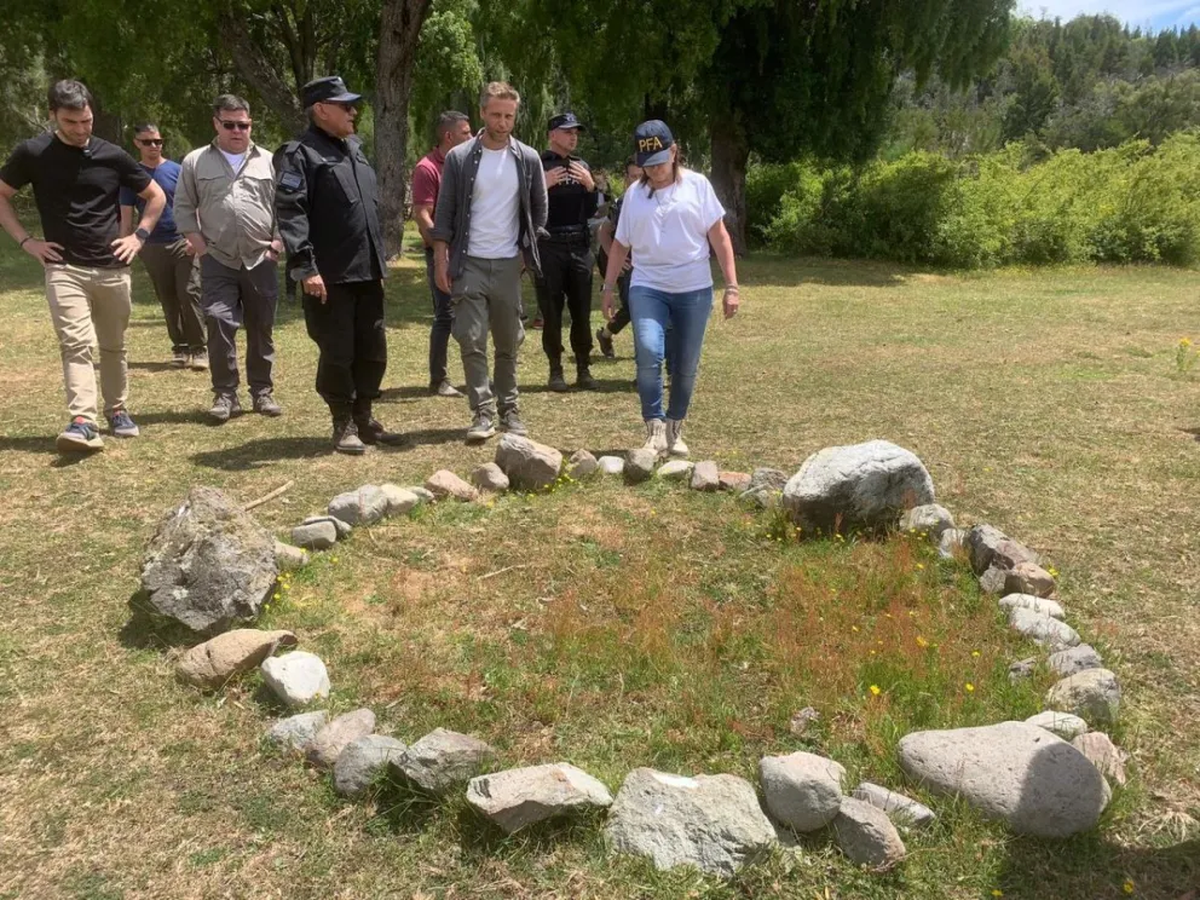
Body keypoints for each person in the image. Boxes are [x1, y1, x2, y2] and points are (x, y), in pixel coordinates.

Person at [0, 80, 166, 453]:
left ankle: (117, 409)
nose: (80, 129)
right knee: (76, 343)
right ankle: (82, 421)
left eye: (86, 121)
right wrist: (27, 242)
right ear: (52, 116)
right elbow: (2, 195)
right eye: (70, 121)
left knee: (113, 345)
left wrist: (138, 236)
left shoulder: (113, 155)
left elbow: (155, 196)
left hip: (112, 267)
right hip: (64, 267)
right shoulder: (33, 153)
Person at [276, 75, 400, 455]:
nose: (353, 111)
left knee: (372, 348)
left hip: (366, 270)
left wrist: (379, 264)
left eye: (353, 105)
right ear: (321, 110)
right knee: (338, 351)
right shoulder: (299, 153)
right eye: (345, 106)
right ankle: (342, 421)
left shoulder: (354, 149)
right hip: (329, 276)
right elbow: (291, 213)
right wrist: (306, 267)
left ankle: (364, 415)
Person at [600, 120, 739, 458]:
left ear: (675, 151)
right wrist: (607, 287)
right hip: (648, 286)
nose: (656, 170)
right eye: (648, 165)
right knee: (648, 353)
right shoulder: (635, 194)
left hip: (693, 288)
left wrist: (732, 285)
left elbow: (719, 236)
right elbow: (620, 244)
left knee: (686, 364)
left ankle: (676, 429)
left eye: (661, 161)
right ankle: (654, 429)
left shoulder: (698, 186)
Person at [430, 81, 548, 443]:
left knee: (509, 341)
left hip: (509, 263)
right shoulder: (460, 158)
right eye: (495, 114)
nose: (502, 122)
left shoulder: (527, 158)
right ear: (482, 112)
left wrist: (526, 253)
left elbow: (539, 210)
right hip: (469, 263)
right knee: (472, 338)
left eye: (509, 116)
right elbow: (445, 212)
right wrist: (440, 259)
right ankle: (482, 412)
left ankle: (509, 407)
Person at [175, 94, 283, 424]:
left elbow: (286, 209)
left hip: (260, 259)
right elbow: (182, 207)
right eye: (230, 124)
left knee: (261, 327)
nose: (237, 131)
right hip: (217, 260)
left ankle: (262, 391)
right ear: (216, 124)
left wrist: (276, 246)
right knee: (219, 322)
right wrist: (201, 247)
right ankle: (225, 394)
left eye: (244, 125)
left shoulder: (269, 161)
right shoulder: (195, 161)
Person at [119, 123, 207, 370]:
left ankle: (199, 349)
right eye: (147, 142)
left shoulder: (178, 171)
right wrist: (124, 246)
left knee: (189, 292)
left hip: (182, 241)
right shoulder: (131, 177)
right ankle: (180, 348)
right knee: (168, 298)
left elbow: (195, 205)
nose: (154, 146)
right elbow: (125, 215)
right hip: (152, 246)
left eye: (158, 141)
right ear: (137, 143)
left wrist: (195, 236)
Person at [536, 112, 600, 391]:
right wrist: (541, 186)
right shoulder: (536, 164)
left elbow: (591, 211)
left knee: (582, 310)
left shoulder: (581, 165)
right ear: (552, 134)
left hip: (579, 244)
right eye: (567, 131)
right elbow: (522, 207)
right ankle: (555, 369)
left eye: (576, 132)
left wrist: (591, 187)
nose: (573, 136)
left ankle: (584, 367)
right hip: (549, 245)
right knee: (551, 310)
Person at [412, 110, 472, 398]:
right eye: (466, 132)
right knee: (445, 315)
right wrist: (441, 248)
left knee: (473, 313)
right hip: (443, 254)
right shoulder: (427, 168)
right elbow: (422, 214)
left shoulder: (467, 164)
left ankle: (476, 374)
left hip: (470, 251)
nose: (471, 137)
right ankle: (439, 379)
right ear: (449, 136)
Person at [594, 155, 642, 360]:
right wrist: (616, 259)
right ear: (626, 178)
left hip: (641, 261)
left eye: (641, 176)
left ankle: (605, 334)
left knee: (637, 306)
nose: (637, 180)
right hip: (619, 261)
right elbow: (603, 232)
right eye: (633, 176)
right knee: (634, 306)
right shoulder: (621, 203)